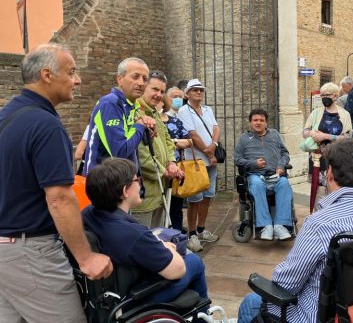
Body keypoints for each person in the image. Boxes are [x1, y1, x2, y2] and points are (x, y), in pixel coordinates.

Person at [0, 44, 113, 322]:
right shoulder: (46, 125)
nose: (78, 80)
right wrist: (86, 259)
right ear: (47, 75)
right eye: (72, 72)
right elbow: (60, 198)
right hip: (31, 253)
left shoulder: (6, 116)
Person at [237, 139, 353, 323]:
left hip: (322, 317)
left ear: (329, 173)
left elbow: (285, 285)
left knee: (251, 302)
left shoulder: (320, 224)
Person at [82, 158, 208, 305]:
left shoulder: (88, 213)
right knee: (195, 261)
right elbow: (178, 270)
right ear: (125, 191)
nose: (141, 184)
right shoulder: (132, 234)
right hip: (137, 297)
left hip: (111, 293)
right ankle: (203, 315)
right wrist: (167, 247)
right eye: (138, 180)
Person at [83, 57, 156, 175]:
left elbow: (131, 142)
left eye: (145, 79)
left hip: (122, 180)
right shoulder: (111, 103)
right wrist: (140, 126)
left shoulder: (131, 105)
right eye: (135, 76)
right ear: (120, 79)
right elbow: (120, 151)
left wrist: (146, 128)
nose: (141, 83)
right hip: (102, 183)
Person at [131, 71, 184, 228]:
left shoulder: (154, 112)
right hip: (144, 196)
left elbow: (167, 140)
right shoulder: (135, 114)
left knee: (158, 237)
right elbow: (141, 155)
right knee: (143, 243)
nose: (159, 95)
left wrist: (172, 163)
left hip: (160, 192)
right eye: (155, 89)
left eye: (162, 91)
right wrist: (163, 171)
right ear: (144, 87)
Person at [234, 109, 293, 240]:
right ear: (250, 122)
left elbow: (285, 153)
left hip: (274, 175)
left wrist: (280, 165)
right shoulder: (244, 138)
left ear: (266, 123)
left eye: (261, 120)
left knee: (284, 183)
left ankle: (280, 226)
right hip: (255, 175)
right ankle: (265, 226)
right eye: (255, 120)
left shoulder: (275, 134)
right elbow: (237, 159)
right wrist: (253, 163)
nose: (258, 123)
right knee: (257, 184)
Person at [177, 79, 220, 252]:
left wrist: (214, 146)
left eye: (201, 90)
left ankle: (202, 229)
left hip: (212, 160)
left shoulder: (208, 109)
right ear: (187, 93)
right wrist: (209, 152)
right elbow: (192, 135)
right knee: (194, 199)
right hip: (195, 160)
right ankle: (192, 233)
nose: (199, 93)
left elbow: (216, 129)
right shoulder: (184, 110)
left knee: (207, 196)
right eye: (195, 90)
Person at [303, 82, 352, 211]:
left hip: (337, 158)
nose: (324, 97)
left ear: (335, 96)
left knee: (335, 190)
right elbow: (304, 132)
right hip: (318, 159)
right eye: (322, 95)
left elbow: (348, 137)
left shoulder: (345, 114)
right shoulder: (316, 113)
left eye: (328, 95)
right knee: (318, 192)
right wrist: (311, 133)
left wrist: (327, 136)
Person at [164, 88, 192, 232]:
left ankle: (177, 232)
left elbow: (189, 141)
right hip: (161, 168)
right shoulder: (154, 122)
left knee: (176, 204)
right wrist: (176, 142)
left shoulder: (176, 121)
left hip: (178, 167)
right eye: (174, 97)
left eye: (180, 97)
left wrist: (172, 141)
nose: (177, 99)